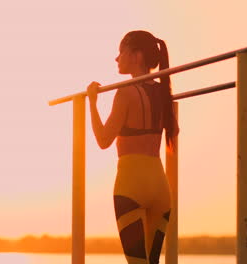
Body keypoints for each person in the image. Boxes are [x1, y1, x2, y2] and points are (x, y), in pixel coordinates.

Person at [86, 30, 179, 264]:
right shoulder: (162, 91)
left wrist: (92, 104)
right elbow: (174, 131)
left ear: (136, 56)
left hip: (131, 187)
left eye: (121, 52)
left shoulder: (126, 92)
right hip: (160, 187)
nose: (117, 58)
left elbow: (103, 140)